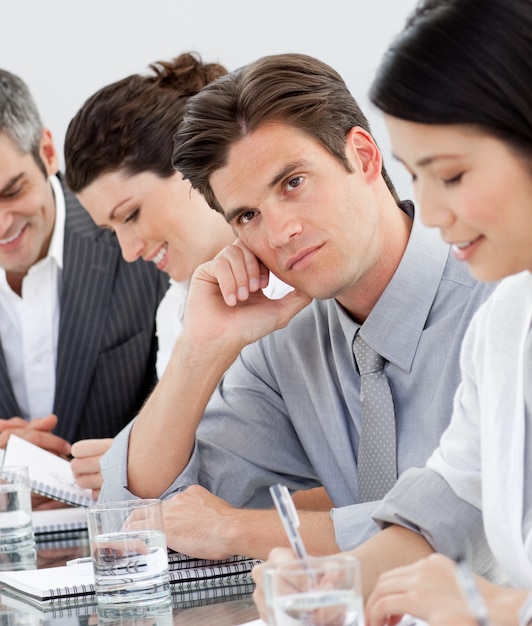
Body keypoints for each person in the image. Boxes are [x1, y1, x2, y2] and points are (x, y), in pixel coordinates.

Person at [98, 52, 495, 565]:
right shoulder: (286, 347)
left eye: (293, 182)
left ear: (364, 156)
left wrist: (240, 531)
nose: (280, 232)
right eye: (247, 215)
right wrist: (199, 351)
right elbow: (138, 512)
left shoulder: (499, 302)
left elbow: (473, 525)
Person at [255, 1, 532, 625]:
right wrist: (341, 578)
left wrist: (499, 613)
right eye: (416, 176)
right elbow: (455, 491)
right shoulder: (509, 318)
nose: (429, 212)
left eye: (453, 176)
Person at [64, 52, 294, 499]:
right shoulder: (175, 306)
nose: (129, 252)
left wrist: (158, 468)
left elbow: (350, 479)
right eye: (112, 232)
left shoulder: (300, 279)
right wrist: (138, 457)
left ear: (189, 166)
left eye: (129, 215)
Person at [0, 68, 167, 503]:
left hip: (131, 540)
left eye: (11, 191)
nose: (2, 224)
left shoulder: (137, 235)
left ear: (47, 152)